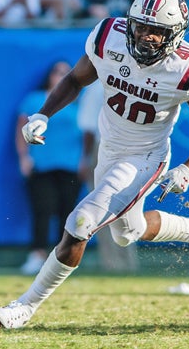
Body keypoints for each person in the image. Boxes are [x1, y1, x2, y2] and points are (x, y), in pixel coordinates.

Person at [0, 0, 189, 329]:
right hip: (110, 149)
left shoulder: (186, 68)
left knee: (81, 221)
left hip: (146, 156)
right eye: (141, 27)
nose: (146, 37)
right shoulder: (110, 37)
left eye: (157, 32)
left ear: (175, 35)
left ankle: (25, 306)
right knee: (126, 232)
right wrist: (43, 114)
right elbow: (75, 79)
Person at [16, 60, 83, 276]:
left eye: (66, 73)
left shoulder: (77, 103)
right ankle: (37, 255)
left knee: (67, 213)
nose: (60, 76)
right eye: (57, 72)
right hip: (42, 165)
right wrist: (24, 157)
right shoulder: (34, 100)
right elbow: (20, 129)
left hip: (70, 165)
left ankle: (61, 259)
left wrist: (85, 159)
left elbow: (87, 134)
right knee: (42, 210)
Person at [77, 80, 139, 273]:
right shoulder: (134, 80)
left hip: (104, 147)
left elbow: (88, 126)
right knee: (126, 206)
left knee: (100, 206)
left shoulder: (97, 85)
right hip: (134, 147)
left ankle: (114, 263)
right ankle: (129, 262)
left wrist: (85, 158)